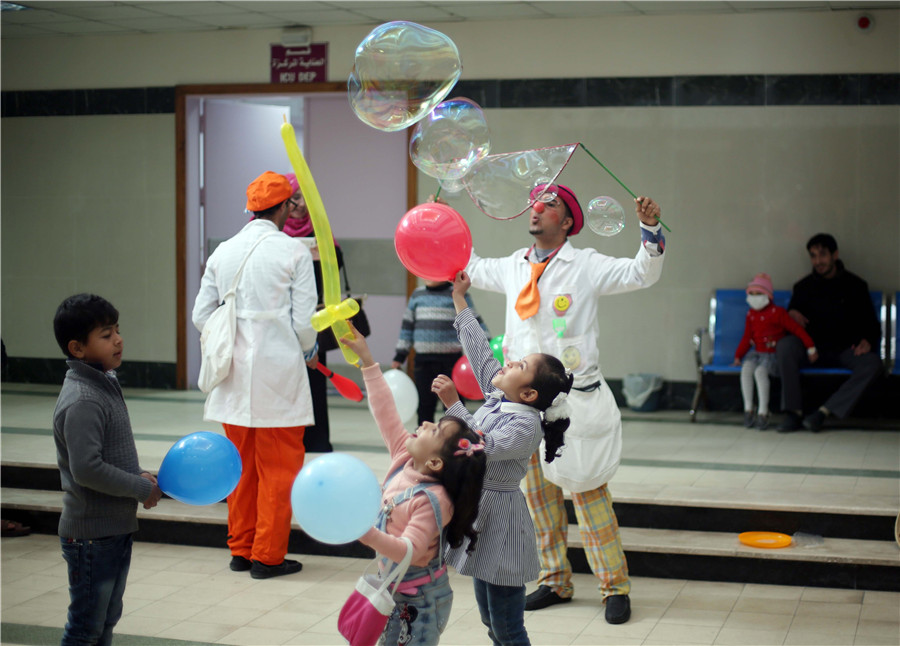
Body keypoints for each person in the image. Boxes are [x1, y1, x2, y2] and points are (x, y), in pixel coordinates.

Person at [462, 183, 666, 625]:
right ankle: (555, 580)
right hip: (523, 406)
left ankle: (615, 586)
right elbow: (470, 267)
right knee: (538, 498)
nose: (536, 209)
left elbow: (641, 273)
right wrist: (441, 225)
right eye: (534, 203)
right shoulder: (514, 265)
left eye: (549, 204)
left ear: (569, 220)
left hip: (575, 403)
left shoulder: (586, 264)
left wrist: (650, 227)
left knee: (589, 496)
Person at [433, 271, 574, 646]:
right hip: (481, 514)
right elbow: (480, 351)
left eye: (520, 366)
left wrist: (454, 407)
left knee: (509, 627)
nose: (508, 363)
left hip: (503, 523)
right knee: (490, 620)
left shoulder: (526, 426)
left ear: (528, 394)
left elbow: (482, 446)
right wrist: (460, 299)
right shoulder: (501, 397)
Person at [192, 171, 319, 579]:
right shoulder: (295, 252)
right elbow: (304, 324)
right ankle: (268, 556)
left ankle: (240, 548)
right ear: (284, 207)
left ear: (251, 208)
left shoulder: (222, 252)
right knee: (279, 468)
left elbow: (200, 316)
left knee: (240, 466)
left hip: (232, 374)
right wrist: (308, 350)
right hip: (278, 374)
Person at [341, 322, 486, 644]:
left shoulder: (433, 501)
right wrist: (366, 359)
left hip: (420, 600)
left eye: (432, 430)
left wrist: (364, 531)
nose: (422, 423)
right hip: (392, 587)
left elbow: (409, 550)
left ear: (435, 463)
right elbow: (386, 412)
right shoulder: (403, 459)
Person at [52, 293, 163, 645]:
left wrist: (138, 475)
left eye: (117, 329)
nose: (118, 339)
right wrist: (141, 488)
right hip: (90, 536)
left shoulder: (104, 383)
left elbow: (109, 455)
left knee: (105, 621)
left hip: (111, 530)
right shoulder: (84, 397)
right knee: (86, 628)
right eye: (105, 334)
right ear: (77, 348)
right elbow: (87, 469)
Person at [776, 233, 883, 432]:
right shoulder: (803, 287)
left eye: (823, 255)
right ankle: (793, 413)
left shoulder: (855, 286)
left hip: (845, 349)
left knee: (873, 363)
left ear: (835, 255)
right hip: (811, 349)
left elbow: (871, 324)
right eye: (813, 256)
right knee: (785, 346)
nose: (818, 261)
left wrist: (867, 340)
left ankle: (824, 412)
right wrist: (791, 313)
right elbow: (790, 323)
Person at [280, 172, 341, 453]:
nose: (302, 204)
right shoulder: (273, 235)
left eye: (306, 197)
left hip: (313, 321)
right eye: (295, 198)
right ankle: (286, 441)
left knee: (315, 382)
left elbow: (338, 265)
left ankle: (317, 443)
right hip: (279, 323)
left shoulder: (319, 229)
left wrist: (323, 254)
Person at [392, 279, 490, 425]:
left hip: (451, 362)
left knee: (453, 405)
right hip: (423, 362)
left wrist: (488, 342)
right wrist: (400, 355)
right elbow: (407, 327)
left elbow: (473, 319)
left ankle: (456, 437)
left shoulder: (456, 294)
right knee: (425, 404)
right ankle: (425, 440)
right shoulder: (418, 295)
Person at [732, 273, 816, 430]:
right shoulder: (751, 315)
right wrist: (738, 356)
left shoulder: (778, 313)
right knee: (746, 370)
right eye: (752, 294)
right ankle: (748, 408)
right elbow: (746, 338)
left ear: (768, 295)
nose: (755, 298)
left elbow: (797, 330)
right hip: (756, 354)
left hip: (772, 356)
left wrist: (810, 347)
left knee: (760, 373)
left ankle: (763, 411)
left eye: (759, 294)